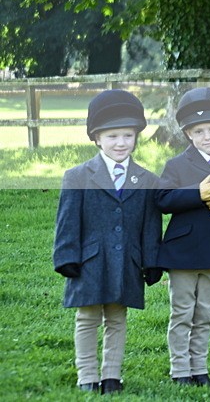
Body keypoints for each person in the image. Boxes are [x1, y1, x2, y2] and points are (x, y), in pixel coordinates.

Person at [53, 89, 162, 394]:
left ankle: (112, 375)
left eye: (127, 135)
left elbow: (151, 225)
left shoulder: (147, 180)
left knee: (117, 317)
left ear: (136, 137)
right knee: (87, 317)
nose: (120, 143)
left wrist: (152, 260)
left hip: (127, 260)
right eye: (112, 136)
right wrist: (66, 256)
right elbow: (67, 221)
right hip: (88, 261)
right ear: (97, 138)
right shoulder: (78, 176)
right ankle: (86, 376)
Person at [156, 87, 210, 386]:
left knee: (204, 313)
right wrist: (197, 194)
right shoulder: (176, 165)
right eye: (199, 131)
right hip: (182, 253)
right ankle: (180, 370)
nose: (208, 137)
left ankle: (199, 368)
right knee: (182, 313)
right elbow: (164, 200)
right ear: (188, 134)